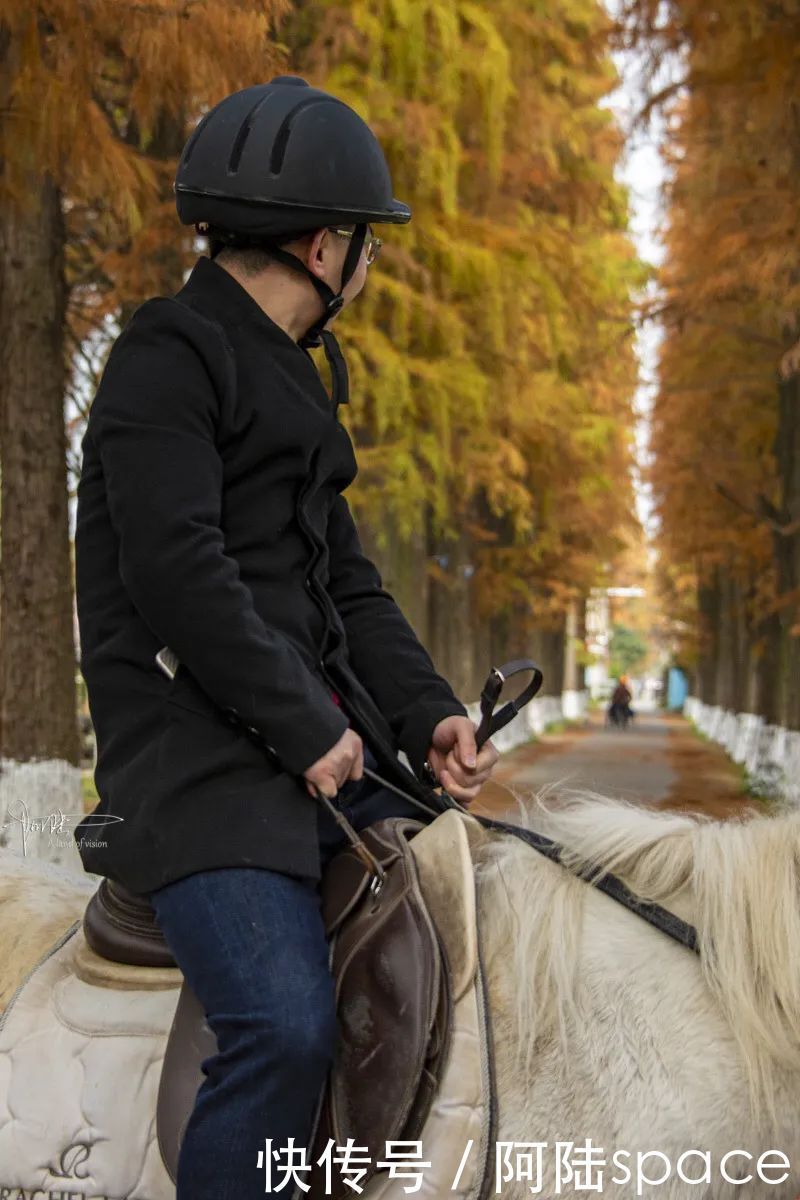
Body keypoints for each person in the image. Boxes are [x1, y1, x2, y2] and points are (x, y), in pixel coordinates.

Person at [73, 76, 499, 1197]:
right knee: (284, 1027)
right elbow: (179, 574)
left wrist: (430, 715)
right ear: (325, 247)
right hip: (198, 773)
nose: (370, 262)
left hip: (299, 761)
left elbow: (345, 590)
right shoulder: (164, 358)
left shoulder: (295, 385)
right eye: (367, 244)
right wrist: (305, 721)